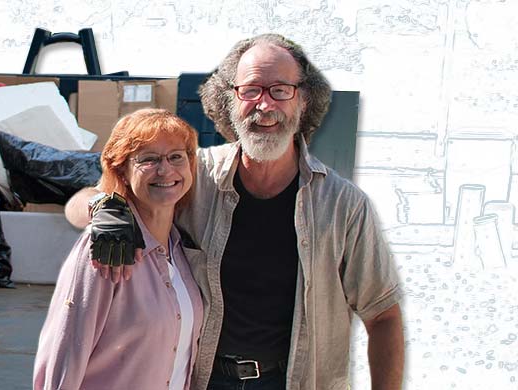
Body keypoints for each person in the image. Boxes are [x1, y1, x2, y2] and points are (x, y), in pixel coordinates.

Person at [66, 34, 405, 390]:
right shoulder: (193, 178)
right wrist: (105, 207)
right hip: (200, 380)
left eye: (280, 90)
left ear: (303, 100)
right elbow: (78, 203)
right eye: (251, 90)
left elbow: (382, 314)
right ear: (228, 100)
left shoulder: (344, 206)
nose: (264, 105)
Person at [34, 109, 205, 390]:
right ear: (122, 172)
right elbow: (64, 355)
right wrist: (99, 204)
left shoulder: (181, 251)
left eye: (176, 156)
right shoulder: (106, 247)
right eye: (148, 159)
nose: (165, 170)